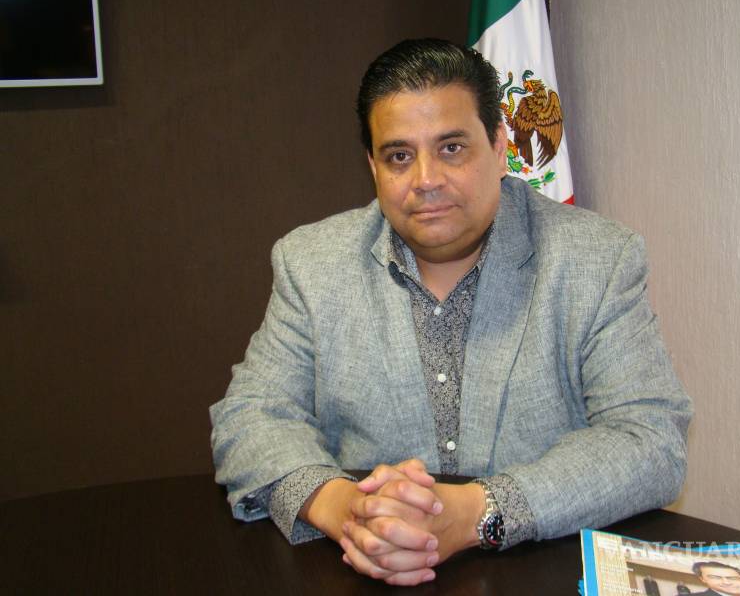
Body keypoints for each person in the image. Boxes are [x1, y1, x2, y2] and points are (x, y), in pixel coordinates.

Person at [210, 38, 692, 586]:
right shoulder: (311, 264)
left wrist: (479, 512)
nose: (426, 180)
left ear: (500, 147)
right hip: (362, 572)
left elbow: (650, 440)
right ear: (373, 167)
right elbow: (250, 417)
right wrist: (345, 509)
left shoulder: (596, 259)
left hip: (541, 575)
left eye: (452, 148)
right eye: (399, 156)